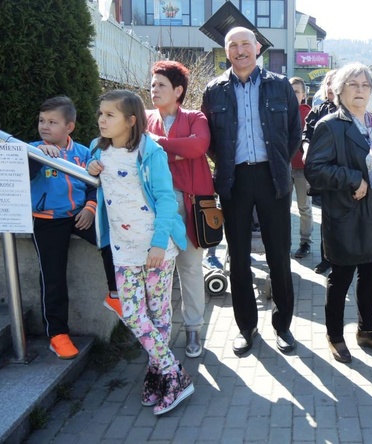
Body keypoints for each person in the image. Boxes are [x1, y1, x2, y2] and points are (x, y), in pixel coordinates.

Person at [87, 90, 194, 416]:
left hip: (155, 247)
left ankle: (160, 376)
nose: (102, 119)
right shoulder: (97, 148)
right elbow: (94, 179)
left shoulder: (151, 152)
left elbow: (165, 199)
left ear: (131, 121)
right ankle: (174, 373)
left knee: (159, 318)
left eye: (110, 115)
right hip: (122, 248)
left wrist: (159, 244)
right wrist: (92, 171)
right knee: (134, 313)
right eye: (101, 113)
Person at [201, 26, 301, 356]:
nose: (240, 50)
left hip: (273, 178)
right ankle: (246, 327)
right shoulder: (214, 90)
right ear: (226, 50)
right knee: (239, 258)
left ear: (258, 48)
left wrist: (276, 162)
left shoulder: (279, 85)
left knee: (278, 255)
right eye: (233, 45)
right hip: (235, 180)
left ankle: (283, 326)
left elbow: (293, 133)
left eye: (246, 44)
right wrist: (230, 165)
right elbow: (210, 141)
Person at [305, 62, 372, 364]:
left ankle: (367, 331)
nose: (361, 90)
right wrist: (353, 178)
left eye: (365, 85)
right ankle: (335, 336)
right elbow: (315, 169)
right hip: (347, 213)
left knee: (370, 275)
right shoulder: (330, 125)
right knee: (341, 278)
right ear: (339, 90)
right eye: (353, 84)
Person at [28, 96, 117, 360]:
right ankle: (57, 334)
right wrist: (38, 155)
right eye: (42, 121)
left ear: (69, 127)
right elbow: (21, 173)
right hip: (47, 220)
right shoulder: (32, 149)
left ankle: (116, 293)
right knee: (52, 276)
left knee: (110, 238)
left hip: (79, 214)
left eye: (52, 122)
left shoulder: (82, 152)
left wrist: (90, 209)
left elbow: (94, 185)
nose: (45, 126)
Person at [142, 60, 212, 359]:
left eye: (160, 85)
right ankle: (161, 333)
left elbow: (199, 147)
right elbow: (136, 149)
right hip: (155, 209)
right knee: (159, 273)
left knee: (190, 269)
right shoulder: (144, 118)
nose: (153, 89)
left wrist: (160, 144)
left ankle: (194, 328)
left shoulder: (195, 117)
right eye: (153, 84)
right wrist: (177, 149)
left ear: (178, 90)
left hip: (191, 204)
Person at [302, 69, 338, 274]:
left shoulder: (351, 109)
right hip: (324, 173)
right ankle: (326, 258)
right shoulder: (318, 110)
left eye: (336, 83)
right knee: (327, 218)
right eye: (329, 83)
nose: (332, 87)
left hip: (346, 173)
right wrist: (306, 149)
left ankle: (346, 258)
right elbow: (306, 134)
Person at [289, 77, 314, 259]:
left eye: (296, 91)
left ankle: (305, 242)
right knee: (282, 208)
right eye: (290, 91)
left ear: (303, 95)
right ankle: (284, 241)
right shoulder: (280, 111)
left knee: (304, 207)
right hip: (282, 167)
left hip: (301, 168)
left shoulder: (307, 113)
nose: (293, 94)